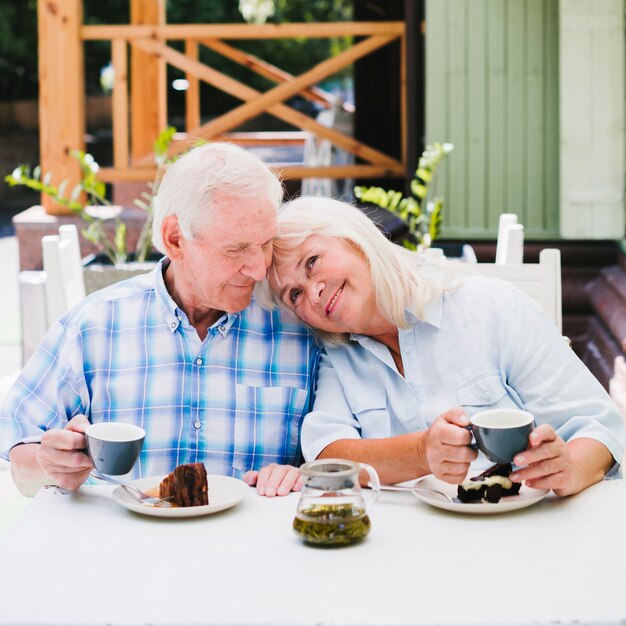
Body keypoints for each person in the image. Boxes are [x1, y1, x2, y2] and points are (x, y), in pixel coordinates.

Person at [0, 143, 320, 498]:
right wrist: (48, 463)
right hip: (122, 548)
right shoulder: (96, 325)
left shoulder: (300, 328)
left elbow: (338, 460)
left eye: (266, 244)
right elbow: (16, 452)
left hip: (251, 548)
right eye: (236, 249)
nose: (259, 268)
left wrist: (303, 473)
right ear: (175, 239)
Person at [257, 196, 625, 496]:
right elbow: (327, 457)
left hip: (521, 538)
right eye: (295, 294)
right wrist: (421, 452)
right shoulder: (338, 355)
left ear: (355, 238)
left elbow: (601, 426)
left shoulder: (490, 307)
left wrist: (570, 468)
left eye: (313, 261)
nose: (315, 291)